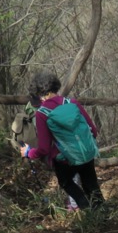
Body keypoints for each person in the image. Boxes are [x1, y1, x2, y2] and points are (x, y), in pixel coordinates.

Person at [20, 72, 104, 211]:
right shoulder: (72, 103)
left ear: (39, 93)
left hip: (65, 160)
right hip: (86, 154)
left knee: (66, 182)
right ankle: (102, 217)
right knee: (92, 185)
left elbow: (44, 149)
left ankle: (86, 209)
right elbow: (93, 131)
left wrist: (29, 152)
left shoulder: (42, 113)